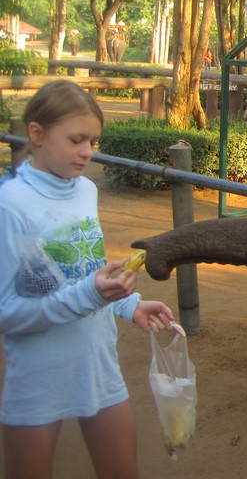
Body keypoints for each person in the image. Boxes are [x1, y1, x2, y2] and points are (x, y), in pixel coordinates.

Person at [0, 80, 175, 479]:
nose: (87, 152)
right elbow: (6, 313)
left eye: (94, 141)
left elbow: (86, 273)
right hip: (36, 375)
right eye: (77, 139)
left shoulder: (84, 191)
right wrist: (88, 296)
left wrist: (129, 305)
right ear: (37, 134)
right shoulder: (10, 205)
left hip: (96, 362)